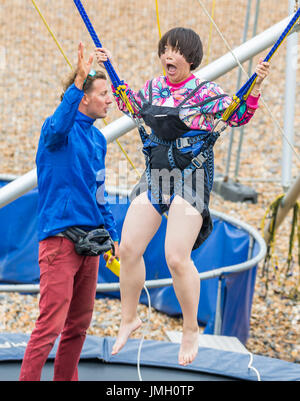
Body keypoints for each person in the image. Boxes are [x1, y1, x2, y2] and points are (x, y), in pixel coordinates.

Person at [96, 27, 270, 366]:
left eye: (175, 51)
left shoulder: (206, 93)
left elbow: (237, 115)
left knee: (176, 256)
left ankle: (191, 328)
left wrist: (256, 85)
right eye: (165, 50)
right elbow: (130, 105)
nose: (167, 56)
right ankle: (128, 318)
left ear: (190, 59)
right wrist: (111, 67)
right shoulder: (153, 87)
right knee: (129, 247)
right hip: (158, 173)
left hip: (192, 174)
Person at [19, 42, 119, 381]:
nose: (110, 99)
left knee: (78, 326)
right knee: (50, 326)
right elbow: (62, 122)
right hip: (60, 243)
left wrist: (112, 235)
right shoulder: (55, 131)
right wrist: (77, 80)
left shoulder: (98, 140)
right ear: (84, 97)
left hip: (89, 244)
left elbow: (100, 191)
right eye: (104, 93)